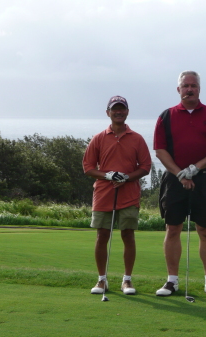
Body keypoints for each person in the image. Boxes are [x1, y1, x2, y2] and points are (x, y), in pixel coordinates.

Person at [153, 70, 206, 297]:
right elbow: (160, 150)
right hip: (174, 180)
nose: (189, 89)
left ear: (199, 89)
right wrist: (180, 174)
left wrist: (196, 168)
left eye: (193, 85)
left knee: (205, 230)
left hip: (203, 179)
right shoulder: (166, 116)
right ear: (179, 89)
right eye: (185, 86)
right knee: (172, 228)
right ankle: (172, 281)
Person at [83, 95, 151, 295]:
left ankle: (127, 280)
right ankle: (101, 280)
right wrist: (108, 175)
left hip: (129, 194)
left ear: (127, 112)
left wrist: (127, 177)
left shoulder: (137, 138)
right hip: (104, 194)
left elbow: (146, 166)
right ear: (108, 113)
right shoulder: (98, 138)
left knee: (127, 235)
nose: (118, 112)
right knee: (102, 235)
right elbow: (87, 167)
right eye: (115, 109)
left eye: (122, 109)